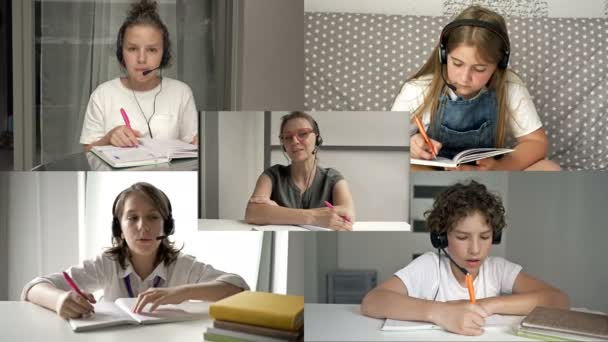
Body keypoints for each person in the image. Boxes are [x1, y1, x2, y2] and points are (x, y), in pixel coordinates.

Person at [361, 180, 569, 336]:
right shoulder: (429, 266)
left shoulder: (498, 270)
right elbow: (372, 301)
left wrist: (487, 305)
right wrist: (441, 313)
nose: (475, 249)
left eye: (485, 237)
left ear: (494, 237)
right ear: (442, 237)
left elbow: (557, 300)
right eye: (462, 237)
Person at [22, 182, 247, 318]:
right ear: (118, 228)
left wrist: (181, 293)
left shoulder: (183, 265)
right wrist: (60, 300)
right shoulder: (106, 264)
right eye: (132, 218)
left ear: (166, 226)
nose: (143, 227)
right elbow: (33, 288)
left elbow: (239, 289)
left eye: (153, 217)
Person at [392, 5, 560, 171]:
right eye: (457, 64)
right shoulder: (419, 88)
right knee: (404, 168)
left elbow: (537, 142)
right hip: (436, 180)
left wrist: (501, 167)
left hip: (488, 178)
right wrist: (412, 144)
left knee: (549, 168)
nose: (464, 78)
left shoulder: (510, 87)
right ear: (443, 55)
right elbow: (388, 142)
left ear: (499, 65)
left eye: (479, 69)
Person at [80, 0, 198, 151]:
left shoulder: (181, 93)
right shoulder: (102, 95)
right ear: (121, 52)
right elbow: (87, 151)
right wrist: (108, 138)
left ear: (164, 54)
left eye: (152, 50)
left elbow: (193, 148)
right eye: (132, 48)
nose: (141, 59)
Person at [245, 111, 355, 231]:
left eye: (302, 134)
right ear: (284, 145)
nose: (295, 141)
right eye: (287, 137)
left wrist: (277, 212)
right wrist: (315, 217)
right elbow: (253, 213)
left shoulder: (333, 178)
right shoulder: (271, 175)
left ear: (317, 139)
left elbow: (347, 216)